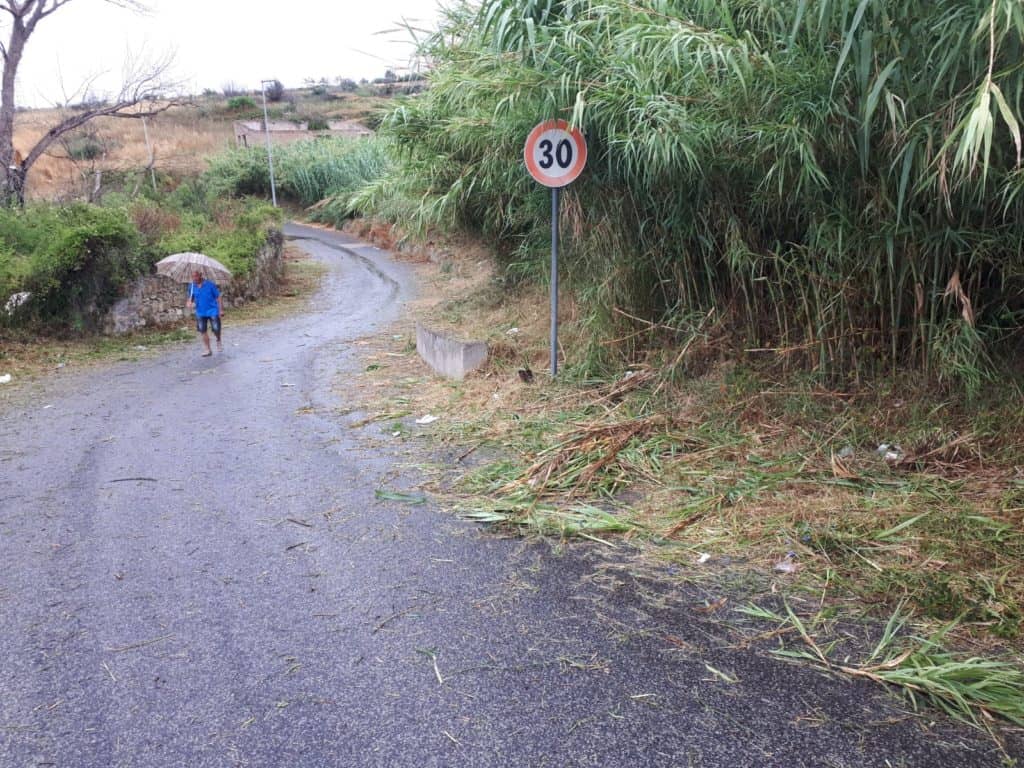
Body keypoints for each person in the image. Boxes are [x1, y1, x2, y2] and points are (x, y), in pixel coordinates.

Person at [186, 270, 223, 356]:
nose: (194, 278)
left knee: (216, 329)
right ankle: (208, 350)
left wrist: (220, 310)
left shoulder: (210, 284)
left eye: (196, 276)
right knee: (203, 330)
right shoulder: (191, 286)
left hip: (212, 310)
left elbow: (218, 297)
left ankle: (218, 340)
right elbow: (190, 299)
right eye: (193, 276)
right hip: (200, 312)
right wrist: (189, 303)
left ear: (201, 275)